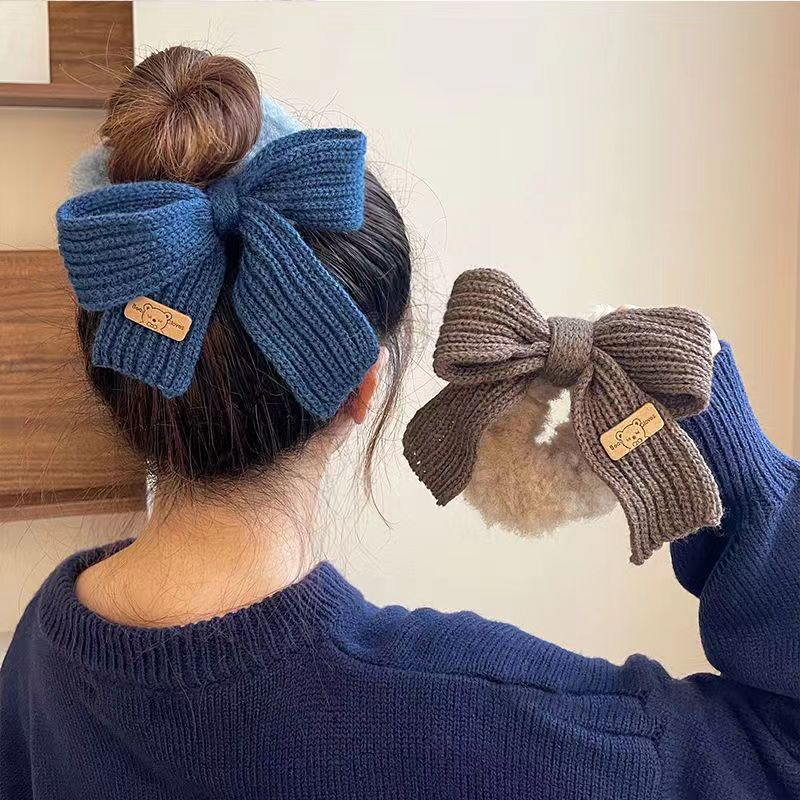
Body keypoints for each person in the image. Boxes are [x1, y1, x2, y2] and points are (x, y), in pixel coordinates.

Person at [0, 46, 798, 800]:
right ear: (364, 388)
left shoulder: (46, 644)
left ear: (120, 379)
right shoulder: (494, 723)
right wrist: (743, 469)